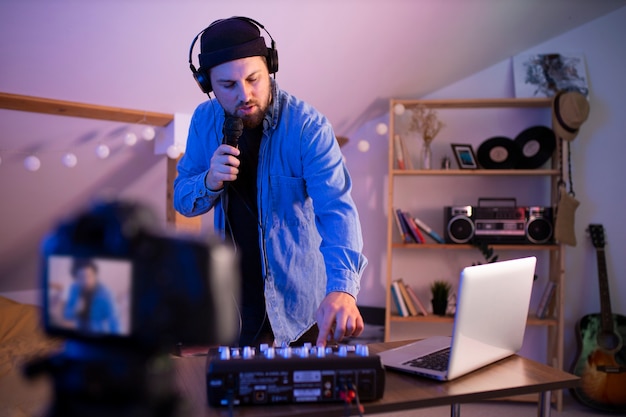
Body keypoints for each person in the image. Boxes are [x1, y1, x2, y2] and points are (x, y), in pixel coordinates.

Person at [173, 16, 367, 348]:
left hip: (300, 313)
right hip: (232, 309)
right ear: (208, 85)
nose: (245, 95)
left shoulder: (309, 128)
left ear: (270, 68)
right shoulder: (203, 121)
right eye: (228, 85)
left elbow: (337, 210)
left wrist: (343, 288)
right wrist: (209, 181)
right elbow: (182, 198)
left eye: (254, 79)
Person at [63, 258, 120, 334]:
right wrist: (76, 309)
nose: (86, 281)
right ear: (76, 278)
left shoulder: (106, 293)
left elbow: (115, 322)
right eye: (81, 277)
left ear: (95, 275)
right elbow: (67, 315)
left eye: (89, 276)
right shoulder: (74, 289)